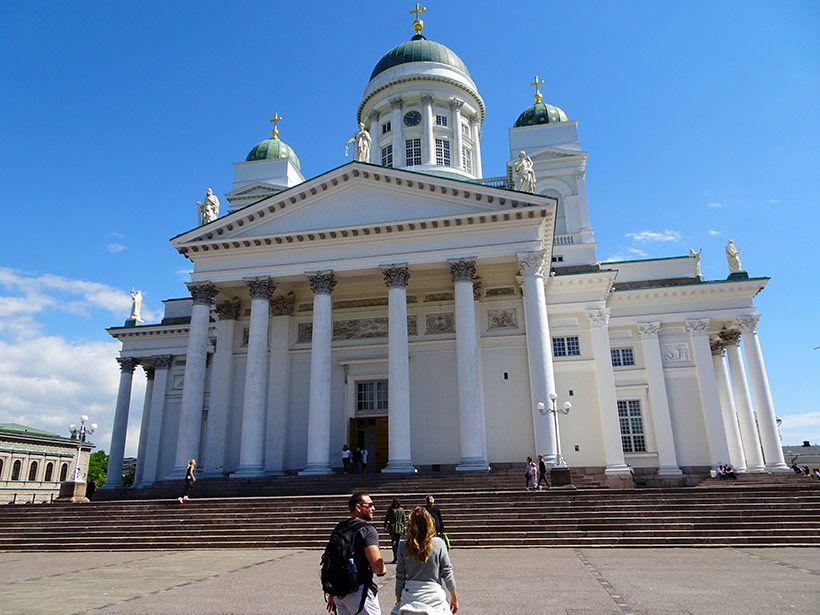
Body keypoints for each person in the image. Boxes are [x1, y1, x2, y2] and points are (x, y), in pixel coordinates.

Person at [326, 492, 386, 615]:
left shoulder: (340, 528)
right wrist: (383, 569)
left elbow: (332, 560)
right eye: (369, 505)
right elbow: (377, 567)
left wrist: (332, 592)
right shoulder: (367, 530)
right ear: (358, 507)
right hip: (359, 591)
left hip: (340, 592)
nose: (373, 508)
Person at [392, 506, 458, 615]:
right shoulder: (439, 543)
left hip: (410, 595)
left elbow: (400, 575)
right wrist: (454, 596)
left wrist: (398, 597)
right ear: (429, 522)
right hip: (434, 595)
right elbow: (447, 573)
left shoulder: (403, 546)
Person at [384, 497, 406, 564]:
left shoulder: (391, 510)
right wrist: (403, 527)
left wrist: (385, 526)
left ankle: (396, 557)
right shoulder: (401, 510)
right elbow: (403, 519)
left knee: (394, 543)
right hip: (399, 527)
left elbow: (387, 518)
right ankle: (398, 557)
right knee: (398, 543)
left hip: (393, 528)